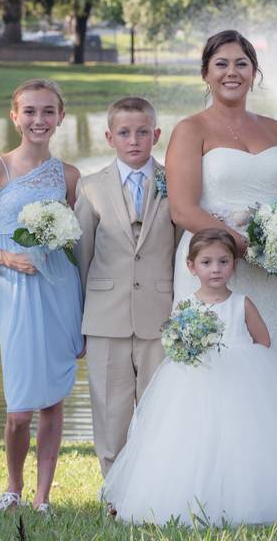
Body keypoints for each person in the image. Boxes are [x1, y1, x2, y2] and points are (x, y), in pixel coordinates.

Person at [102, 229, 277, 526]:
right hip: (196, 382)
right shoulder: (187, 305)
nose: (216, 269)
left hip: (242, 382)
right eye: (206, 262)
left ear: (234, 265)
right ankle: (192, 500)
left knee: (245, 440)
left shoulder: (241, 302)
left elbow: (263, 340)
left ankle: (252, 502)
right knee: (193, 438)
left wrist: (245, 362)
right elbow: (175, 342)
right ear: (191, 266)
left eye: (223, 261)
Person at [165, 29, 277, 403]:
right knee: (217, 373)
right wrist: (244, 247)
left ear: (254, 72)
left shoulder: (276, 130)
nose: (231, 72)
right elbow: (182, 209)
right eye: (221, 64)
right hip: (214, 267)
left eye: (241, 64)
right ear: (206, 74)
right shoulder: (191, 130)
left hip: (273, 277)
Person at [0, 78, 84, 514]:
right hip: (15, 291)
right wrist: (5, 258)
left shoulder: (69, 176)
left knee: (51, 400)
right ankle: (13, 487)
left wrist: (84, 313)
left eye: (48, 111)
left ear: (61, 117)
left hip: (58, 291)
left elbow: (77, 245)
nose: (39, 120)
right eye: (30, 111)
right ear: (15, 117)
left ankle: (43, 497)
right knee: (19, 409)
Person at [73, 96, 175, 479]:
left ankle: (154, 487)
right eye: (125, 133)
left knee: (158, 409)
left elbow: (184, 252)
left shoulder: (174, 181)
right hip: (105, 318)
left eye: (143, 133)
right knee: (110, 411)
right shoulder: (90, 187)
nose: (134, 140)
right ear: (109, 137)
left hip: (160, 316)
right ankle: (113, 491)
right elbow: (82, 257)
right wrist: (80, 320)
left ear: (156, 135)